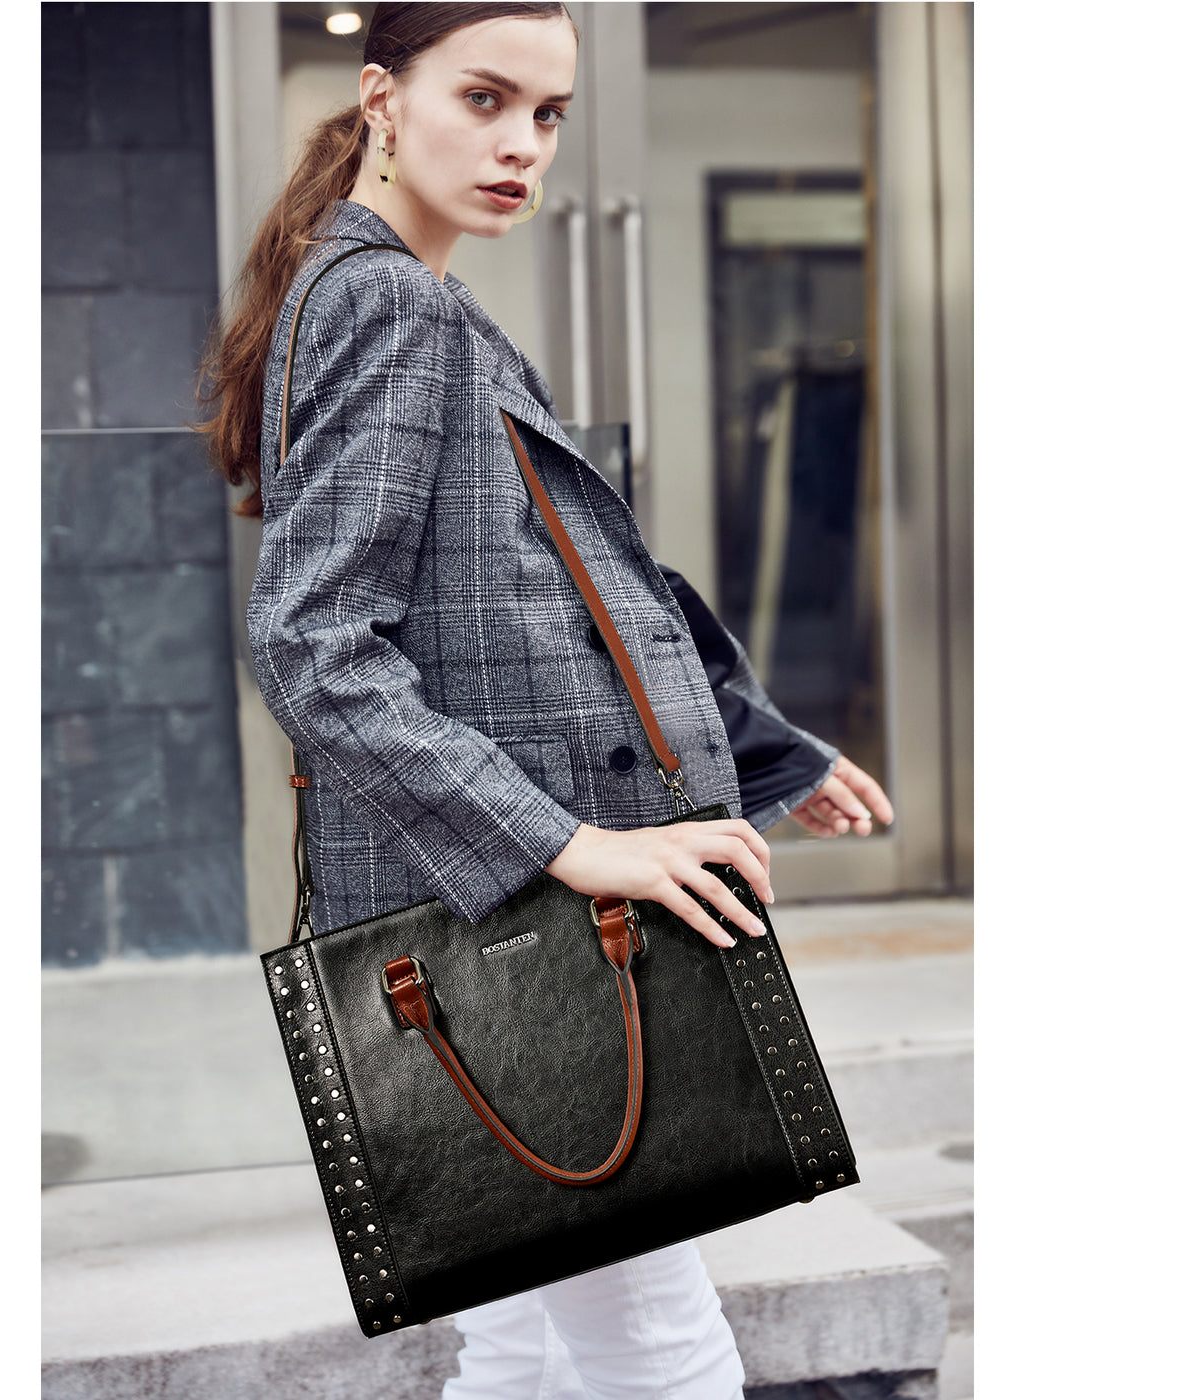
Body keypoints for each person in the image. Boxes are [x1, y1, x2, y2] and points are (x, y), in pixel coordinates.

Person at [198, 6, 892, 1397]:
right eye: (485, 98)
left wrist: (765, 751)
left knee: (526, 1343)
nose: (523, 143)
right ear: (382, 98)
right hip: (525, 930)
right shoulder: (390, 304)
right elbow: (314, 644)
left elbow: (572, 596)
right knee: (664, 1356)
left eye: (548, 114)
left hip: (509, 930)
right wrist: (569, 846)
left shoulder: (399, 294)